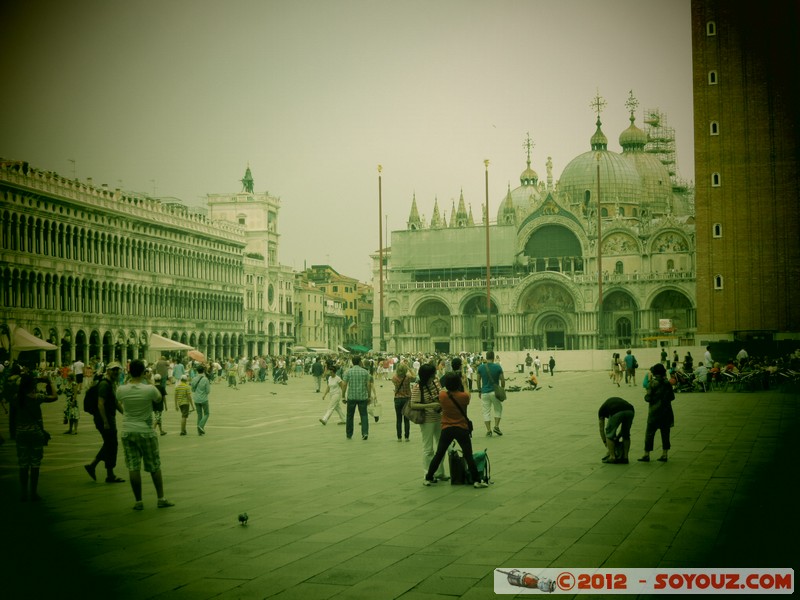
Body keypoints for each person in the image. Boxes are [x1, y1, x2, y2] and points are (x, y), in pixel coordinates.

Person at [117, 359, 174, 510]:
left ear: (129, 372)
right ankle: (161, 498)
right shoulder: (149, 389)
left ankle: (138, 501)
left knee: (133, 467)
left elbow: (117, 399)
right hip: (146, 431)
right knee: (154, 465)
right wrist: (149, 380)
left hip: (128, 430)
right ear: (144, 372)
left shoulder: (121, 390)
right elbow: (159, 398)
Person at [424, 372, 489, 489]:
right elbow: (468, 395)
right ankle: (477, 480)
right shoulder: (463, 397)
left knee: (439, 454)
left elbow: (441, 390)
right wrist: (465, 384)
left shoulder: (442, 395)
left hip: (447, 428)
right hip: (461, 428)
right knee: (468, 455)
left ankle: (428, 477)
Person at [12, 373, 58, 500]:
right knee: (35, 463)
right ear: (31, 384)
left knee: (23, 463)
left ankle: (23, 492)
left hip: (21, 433)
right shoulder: (36, 397)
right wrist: (49, 382)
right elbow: (54, 397)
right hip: (36, 432)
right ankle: (33, 492)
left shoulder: (17, 398)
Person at [84, 362, 125, 484]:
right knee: (111, 444)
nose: (116, 372)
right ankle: (105, 472)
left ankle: (97, 468)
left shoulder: (111, 384)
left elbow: (116, 403)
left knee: (110, 444)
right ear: (108, 371)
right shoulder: (104, 385)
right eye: (113, 370)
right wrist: (105, 422)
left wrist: (126, 415)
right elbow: (100, 404)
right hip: (104, 419)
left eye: (117, 370)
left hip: (108, 418)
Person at [410, 363, 446, 481]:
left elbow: (441, 393)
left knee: (441, 447)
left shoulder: (436, 382)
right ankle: (428, 474)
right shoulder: (418, 387)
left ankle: (440, 472)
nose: (434, 377)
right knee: (428, 448)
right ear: (426, 376)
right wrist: (431, 404)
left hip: (439, 417)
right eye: (432, 375)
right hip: (427, 420)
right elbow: (413, 404)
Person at [639, 363, 675, 463]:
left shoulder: (652, 383)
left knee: (650, 433)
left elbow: (648, 398)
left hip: (654, 412)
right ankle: (665, 454)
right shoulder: (667, 383)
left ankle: (646, 454)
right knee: (665, 433)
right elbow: (672, 397)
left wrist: (648, 396)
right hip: (666, 412)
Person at [341, 356, 375, 440]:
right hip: (362, 397)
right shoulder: (365, 372)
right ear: (360, 362)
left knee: (349, 416)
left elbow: (344, 384)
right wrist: (369, 395)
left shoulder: (348, 372)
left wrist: (343, 395)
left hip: (351, 397)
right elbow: (368, 385)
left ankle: (349, 434)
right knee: (363, 415)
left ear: (352, 362)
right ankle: (365, 433)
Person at [597, 396, 635, 464]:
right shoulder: (610, 404)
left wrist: (605, 442)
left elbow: (601, 429)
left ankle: (612, 457)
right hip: (630, 410)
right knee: (626, 434)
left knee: (609, 433)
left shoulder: (601, 411)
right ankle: (625, 457)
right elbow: (623, 431)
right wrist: (618, 437)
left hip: (616, 411)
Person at [476, 351, 505, 437]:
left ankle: (488, 430)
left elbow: (478, 380)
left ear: (486, 357)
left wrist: (479, 390)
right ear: (493, 357)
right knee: (498, 409)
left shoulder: (480, 367)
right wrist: (502, 388)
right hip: (494, 392)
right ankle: (496, 426)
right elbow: (502, 380)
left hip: (484, 392)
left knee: (486, 411)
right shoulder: (498, 367)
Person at [392, 362, 413, 442]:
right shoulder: (408, 377)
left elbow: (395, 384)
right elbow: (415, 376)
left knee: (398, 419)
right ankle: (407, 437)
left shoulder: (394, 378)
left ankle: (399, 437)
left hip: (397, 399)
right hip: (407, 399)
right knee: (406, 419)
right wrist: (409, 368)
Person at [191, 364, 211, 435]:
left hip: (196, 399)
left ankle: (199, 431)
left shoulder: (194, 379)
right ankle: (201, 426)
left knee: (199, 415)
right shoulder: (205, 379)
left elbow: (192, 390)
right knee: (207, 413)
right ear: (203, 371)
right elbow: (208, 391)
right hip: (204, 399)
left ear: (197, 371)